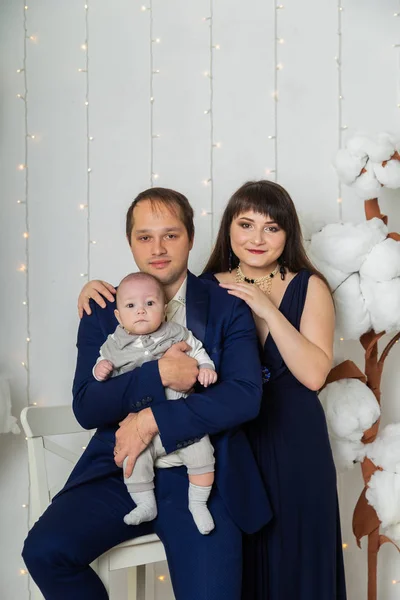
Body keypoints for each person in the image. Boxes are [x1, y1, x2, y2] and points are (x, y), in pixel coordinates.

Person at [22, 187, 272, 600]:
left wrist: (154, 419)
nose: (157, 248)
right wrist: (158, 375)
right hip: (119, 468)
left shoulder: (227, 305)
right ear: (130, 242)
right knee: (44, 551)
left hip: (202, 476)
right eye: (144, 237)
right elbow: (87, 405)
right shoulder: (104, 308)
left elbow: (245, 395)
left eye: (170, 235)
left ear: (191, 237)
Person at [203, 180, 347, 600]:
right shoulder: (206, 288)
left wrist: (266, 307)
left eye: (272, 228)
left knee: (300, 559)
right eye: (246, 224)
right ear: (229, 228)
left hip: (297, 442)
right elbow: (146, 311)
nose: (257, 238)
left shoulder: (310, 285)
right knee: (239, 564)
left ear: (288, 234)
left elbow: (314, 375)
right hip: (232, 443)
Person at [94, 271, 217, 535]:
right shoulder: (113, 344)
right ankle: (145, 504)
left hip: (180, 420)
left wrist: (206, 366)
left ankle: (198, 503)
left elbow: (197, 350)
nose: (141, 311)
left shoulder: (176, 333)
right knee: (133, 460)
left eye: (149, 303)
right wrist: (100, 369)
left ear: (164, 308)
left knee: (203, 454)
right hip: (138, 429)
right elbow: (99, 367)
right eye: (130, 306)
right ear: (119, 316)